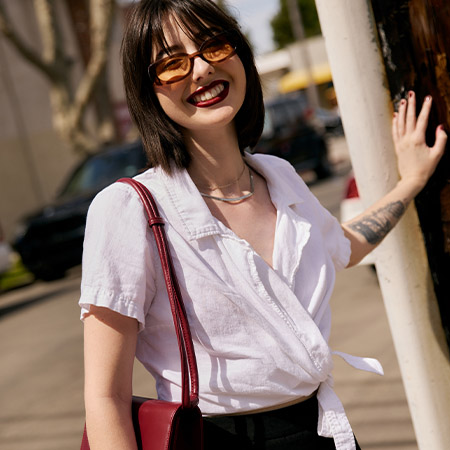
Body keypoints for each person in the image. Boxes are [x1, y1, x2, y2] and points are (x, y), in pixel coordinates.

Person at [79, 1, 447, 449]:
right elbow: (106, 397)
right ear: (148, 91)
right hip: (218, 438)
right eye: (172, 63)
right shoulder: (129, 209)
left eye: (213, 46)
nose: (200, 70)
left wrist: (410, 182)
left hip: (323, 430)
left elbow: (344, 246)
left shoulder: (278, 176)